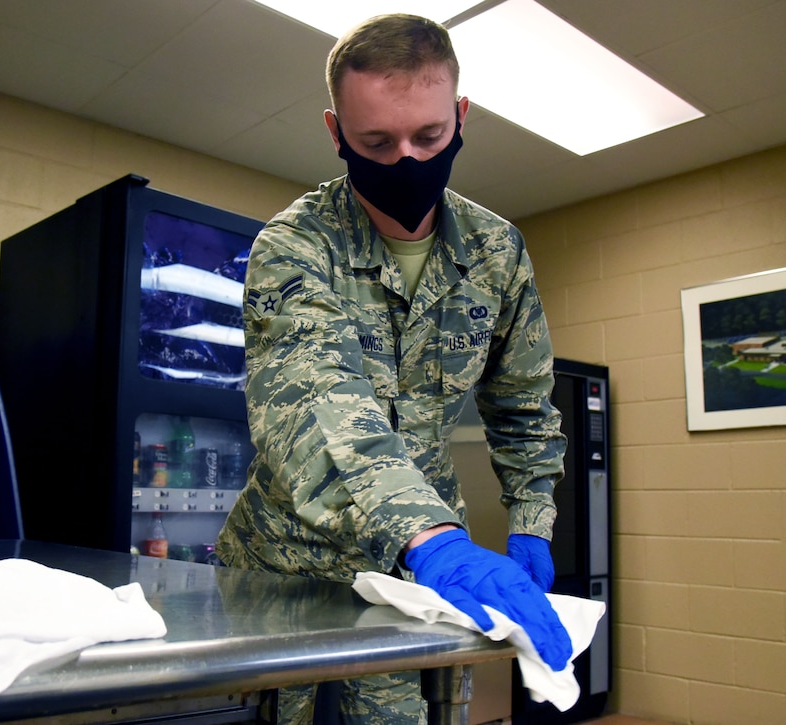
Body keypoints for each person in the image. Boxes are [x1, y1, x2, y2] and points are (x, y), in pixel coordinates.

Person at [216, 13, 572, 724]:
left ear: (461, 115)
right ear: (336, 131)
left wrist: (532, 518)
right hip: (283, 568)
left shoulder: (497, 251)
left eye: (430, 136)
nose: (407, 159)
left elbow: (524, 405)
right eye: (377, 141)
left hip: (409, 580)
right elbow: (320, 407)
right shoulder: (295, 246)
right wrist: (433, 539)